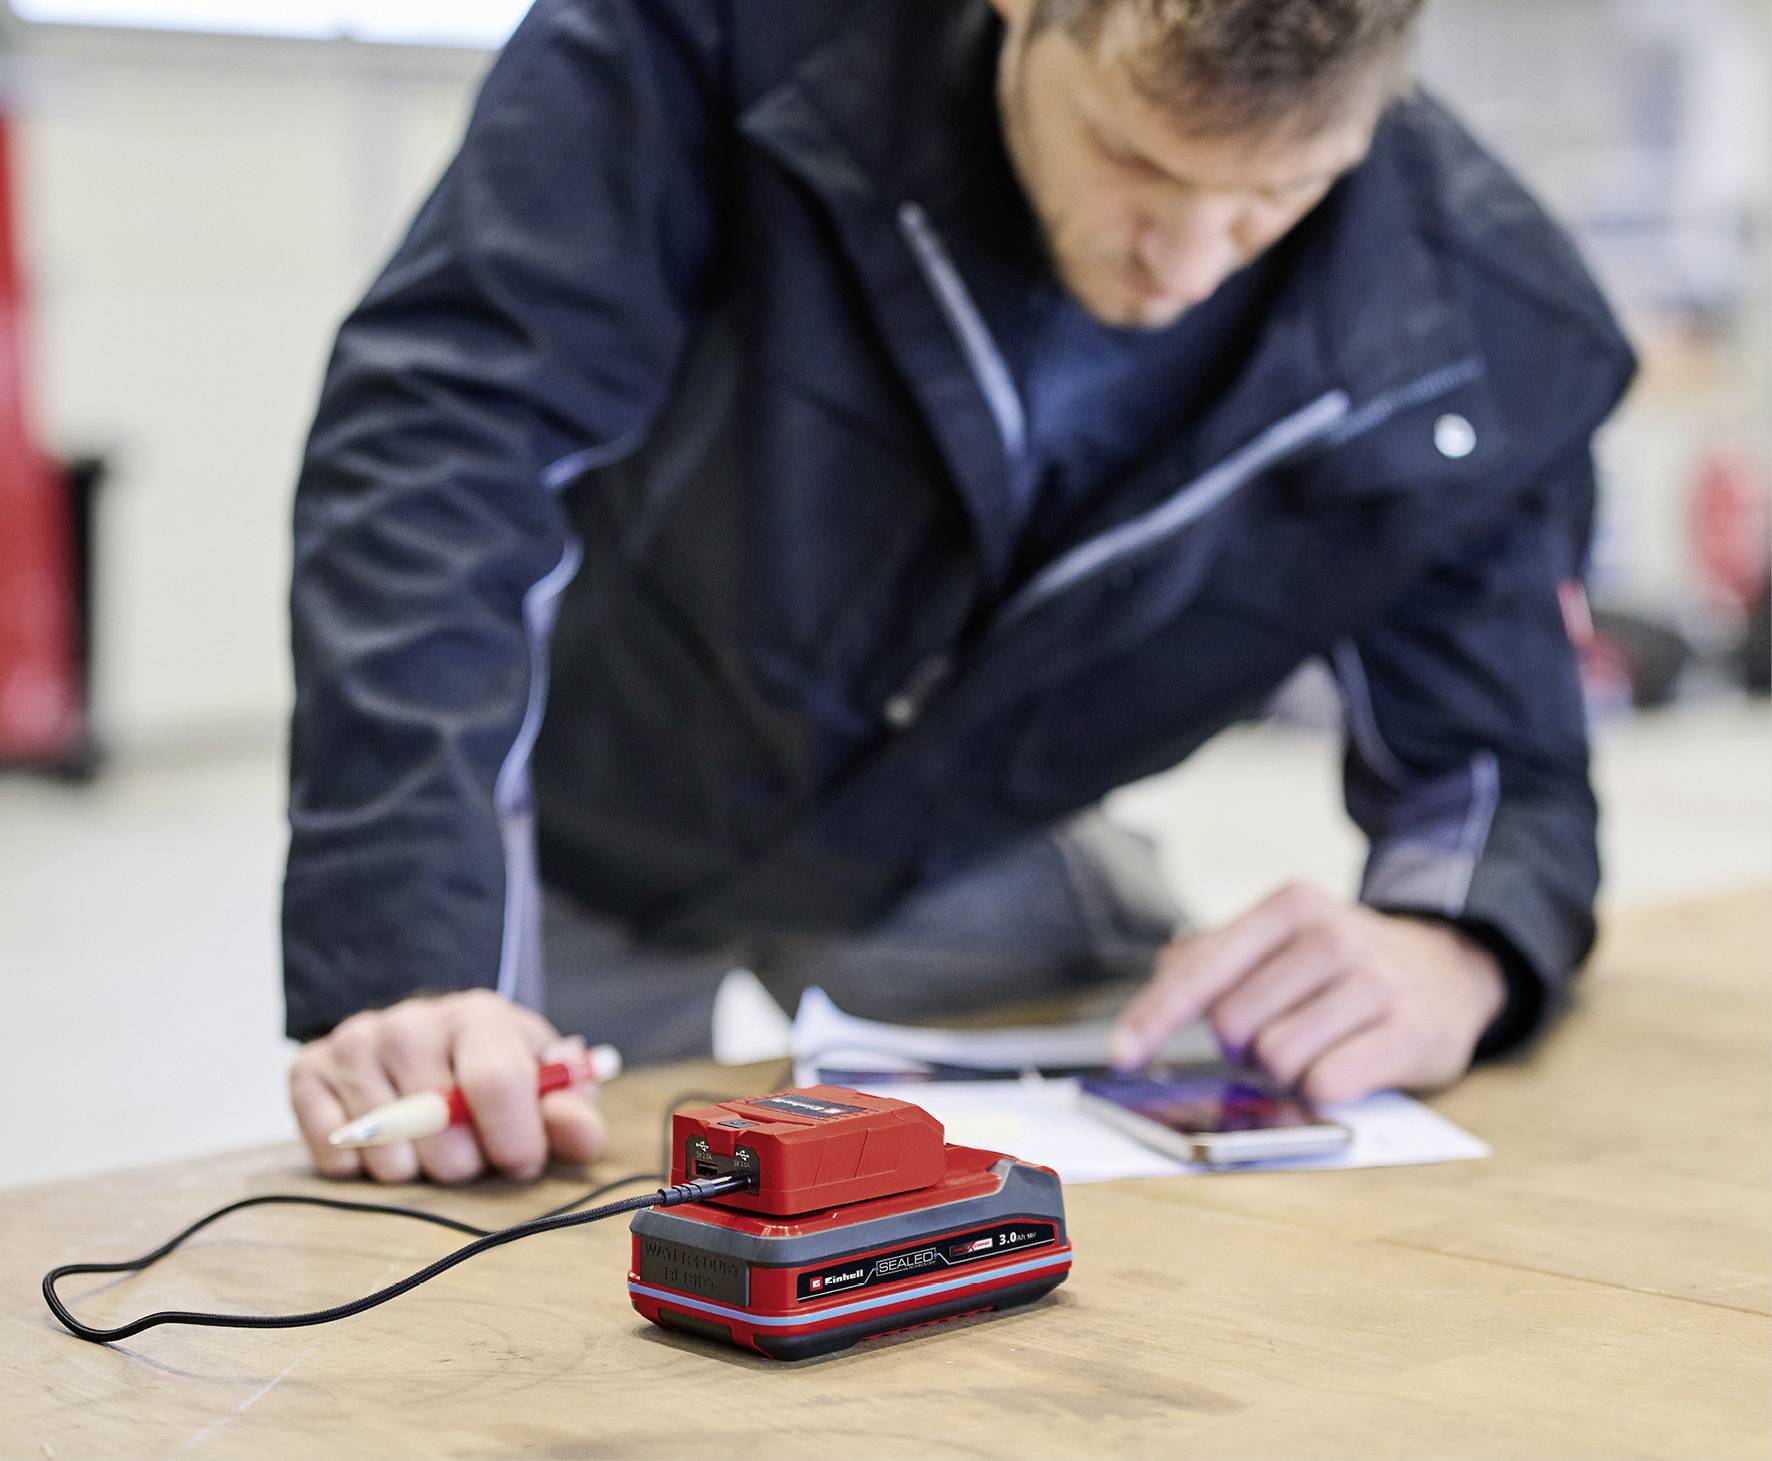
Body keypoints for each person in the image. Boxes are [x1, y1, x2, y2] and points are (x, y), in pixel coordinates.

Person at [283, 0, 1634, 1184]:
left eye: (1275, 198)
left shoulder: (1490, 328)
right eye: (1136, 160)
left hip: (965, 841)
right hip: (595, 801)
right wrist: (416, 959)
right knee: (497, 1206)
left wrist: (1456, 946)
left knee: (1188, 1209)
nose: (1185, 265)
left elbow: (1500, 769)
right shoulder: (722, 29)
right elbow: (448, 444)